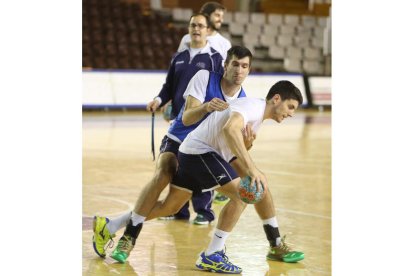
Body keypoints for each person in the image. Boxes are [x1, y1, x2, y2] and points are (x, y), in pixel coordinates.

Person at [108, 62, 305, 271]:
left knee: (170, 206)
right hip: (198, 154)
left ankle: (111, 225)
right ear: (276, 99)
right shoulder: (254, 107)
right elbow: (230, 129)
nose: (291, 113)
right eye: (290, 107)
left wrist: (251, 162)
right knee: (244, 193)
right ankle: (212, 254)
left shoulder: (256, 115)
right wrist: (252, 169)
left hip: (197, 153)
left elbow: (230, 145)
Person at [92, 13, 223, 258]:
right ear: (189, 28)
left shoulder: (216, 60)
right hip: (179, 129)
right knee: (164, 173)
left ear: (208, 31)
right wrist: (159, 99)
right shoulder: (180, 57)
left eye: (201, 26)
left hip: (201, 137)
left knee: (171, 205)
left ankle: (110, 226)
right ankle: (127, 241)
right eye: (193, 25)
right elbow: (168, 87)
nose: (196, 29)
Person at [177, 1, 232, 204]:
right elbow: (178, 68)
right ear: (206, 16)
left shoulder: (224, 44)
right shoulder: (186, 39)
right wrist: (168, 100)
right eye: (217, 15)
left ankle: (204, 206)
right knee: (181, 153)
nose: (220, 20)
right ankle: (180, 205)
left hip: (210, 106)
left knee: (204, 151)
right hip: (189, 103)